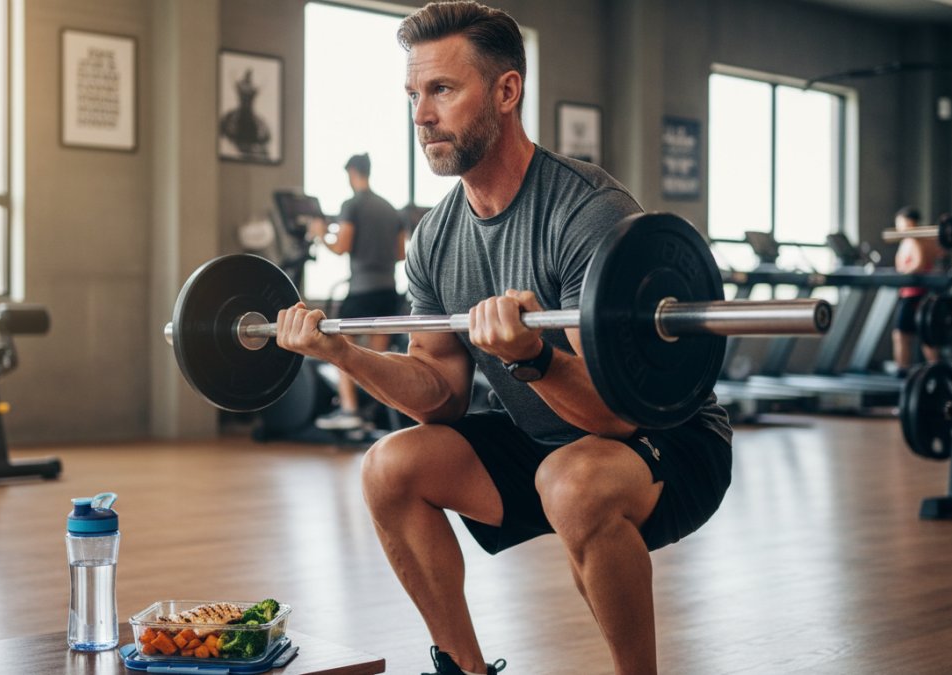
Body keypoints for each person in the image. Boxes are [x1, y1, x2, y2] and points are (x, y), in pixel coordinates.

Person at [277, 2, 732, 673]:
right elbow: (440, 397)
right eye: (412, 94)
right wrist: (343, 354)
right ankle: (462, 667)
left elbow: (614, 412)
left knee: (571, 482)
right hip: (542, 439)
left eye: (441, 90)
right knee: (390, 466)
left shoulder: (586, 211)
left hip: (665, 438)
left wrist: (533, 355)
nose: (420, 115)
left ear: (506, 91)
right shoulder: (434, 236)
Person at [308, 153, 409, 431]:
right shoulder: (391, 209)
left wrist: (320, 234)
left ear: (352, 172)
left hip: (362, 290)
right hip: (389, 290)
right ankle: (378, 412)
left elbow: (342, 246)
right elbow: (401, 253)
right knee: (381, 358)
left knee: (340, 349)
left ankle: (350, 410)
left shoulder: (351, 204)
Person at [891, 206, 943, 375]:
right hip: (910, 293)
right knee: (921, 336)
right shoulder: (908, 241)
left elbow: (919, 265)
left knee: (906, 335)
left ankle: (905, 372)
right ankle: (932, 371)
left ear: (910, 223)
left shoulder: (916, 239)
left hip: (916, 294)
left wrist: (904, 273)